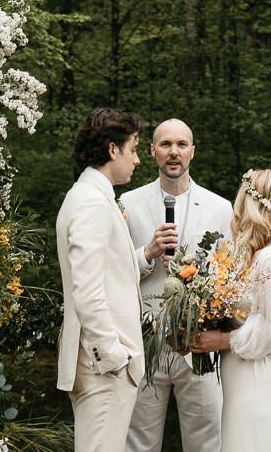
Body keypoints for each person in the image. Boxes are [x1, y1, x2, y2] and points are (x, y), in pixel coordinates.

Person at [57, 109, 178, 452]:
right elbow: (88, 289)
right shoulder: (91, 204)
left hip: (102, 366)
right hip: (103, 368)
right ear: (113, 150)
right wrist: (112, 357)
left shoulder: (91, 198)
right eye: (134, 149)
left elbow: (109, 271)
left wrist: (146, 254)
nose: (138, 160)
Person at [120, 119, 232, 452]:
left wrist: (198, 275)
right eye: (166, 144)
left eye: (181, 145)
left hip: (199, 345)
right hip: (144, 342)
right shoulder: (128, 203)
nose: (174, 152)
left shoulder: (220, 208)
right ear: (152, 151)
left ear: (192, 152)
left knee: (207, 442)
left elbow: (230, 276)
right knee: (137, 442)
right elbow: (113, 272)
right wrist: (147, 254)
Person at [191, 168, 271, 452]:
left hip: (264, 381)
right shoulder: (256, 257)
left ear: (252, 205)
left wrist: (222, 341)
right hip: (247, 381)